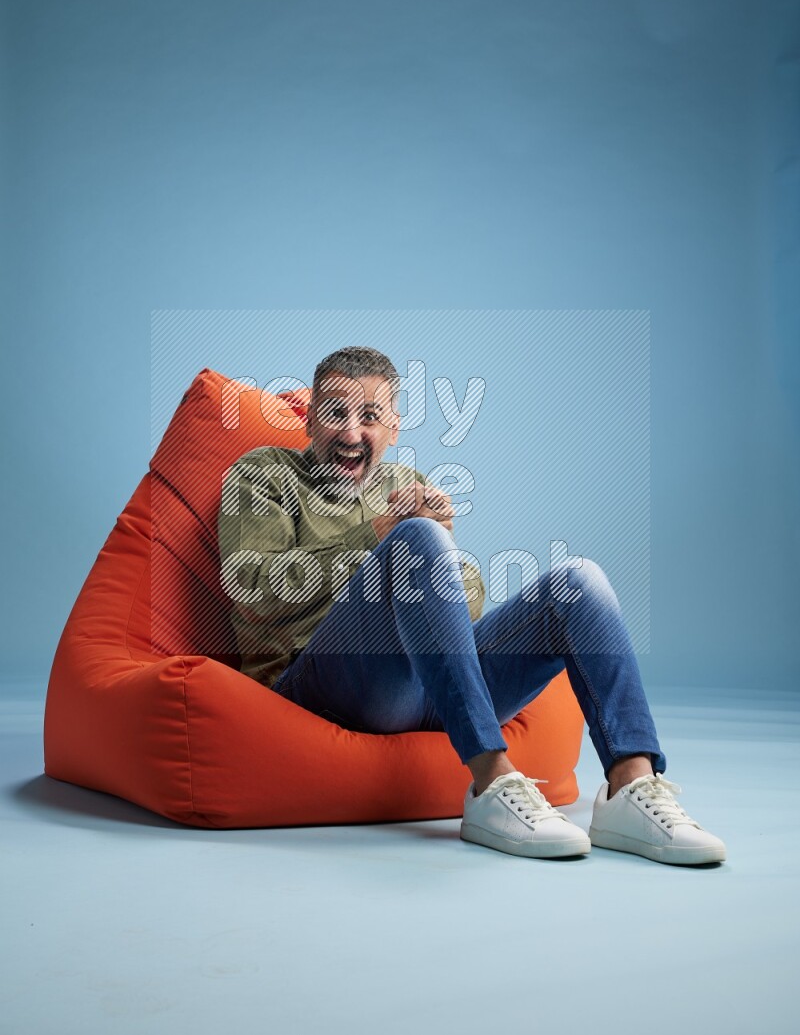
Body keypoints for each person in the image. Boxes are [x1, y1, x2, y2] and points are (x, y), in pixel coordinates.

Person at [217, 345, 726, 866]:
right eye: (334, 413)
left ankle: (629, 786)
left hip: (432, 691)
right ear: (309, 423)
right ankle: (491, 783)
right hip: (320, 685)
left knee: (580, 582)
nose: (351, 433)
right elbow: (252, 589)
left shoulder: (404, 487)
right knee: (415, 538)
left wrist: (441, 548)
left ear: (393, 427)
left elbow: (470, 610)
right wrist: (381, 539)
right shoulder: (264, 474)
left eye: (369, 416)